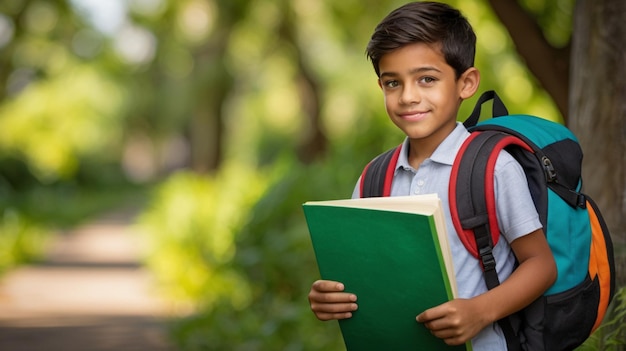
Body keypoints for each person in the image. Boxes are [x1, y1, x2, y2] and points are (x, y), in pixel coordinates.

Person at [307, 1, 557, 349]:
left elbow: (541, 265)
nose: (408, 97)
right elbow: (363, 275)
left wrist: (479, 311)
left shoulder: (493, 168)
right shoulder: (372, 179)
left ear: (466, 83)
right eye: (393, 83)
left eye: (427, 79)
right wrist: (328, 297)